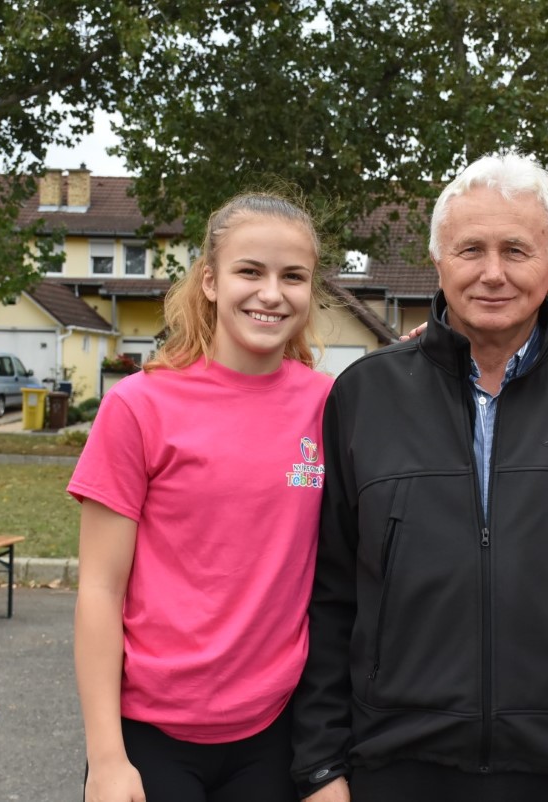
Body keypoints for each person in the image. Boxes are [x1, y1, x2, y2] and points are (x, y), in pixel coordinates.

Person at [291, 151, 548, 802]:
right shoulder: (365, 395)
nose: (493, 273)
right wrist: (319, 766)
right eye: (471, 249)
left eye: (517, 250)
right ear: (438, 261)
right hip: (395, 765)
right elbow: (329, 595)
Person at [69, 193, 334, 802]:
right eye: (250, 271)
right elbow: (100, 590)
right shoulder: (138, 406)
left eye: (293, 276)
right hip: (150, 736)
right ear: (210, 281)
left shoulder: (329, 405)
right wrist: (106, 759)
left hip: (274, 734)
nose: (272, 293)